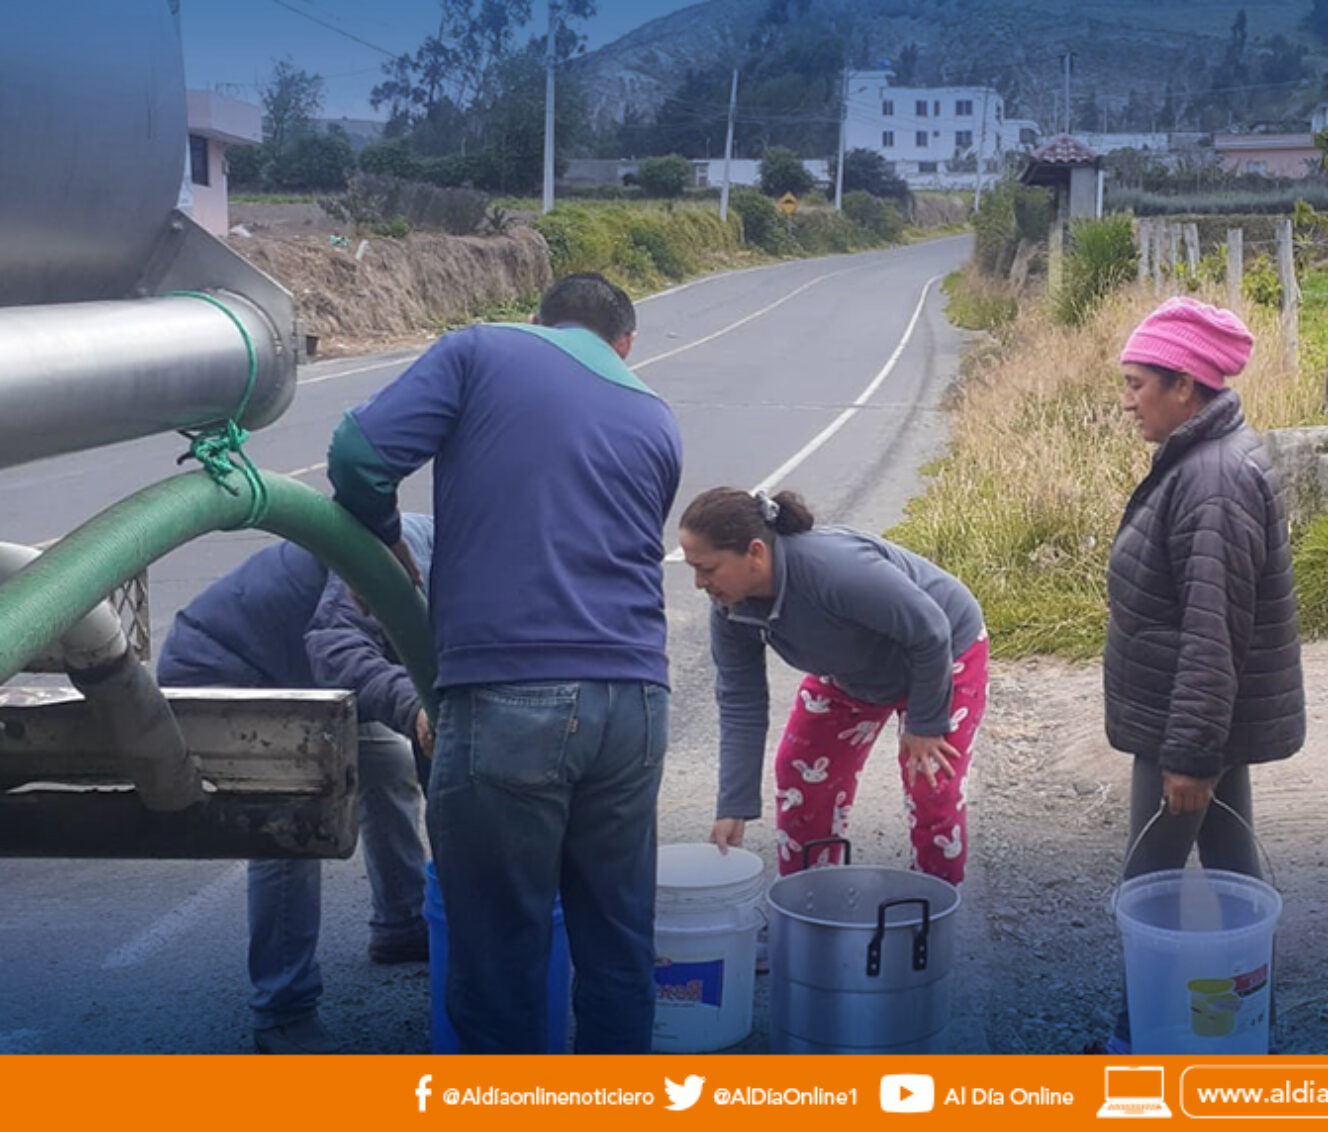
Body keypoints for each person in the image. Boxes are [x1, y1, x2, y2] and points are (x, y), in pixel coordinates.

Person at [327, 272, 681, 1055]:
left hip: (512, 696)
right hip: (637, 703)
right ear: (624, 346)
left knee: (499, 958)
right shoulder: (656, 415)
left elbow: (357, 455)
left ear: (539, 321)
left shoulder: (482, 348)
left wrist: (384, 539)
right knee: (619, 946)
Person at [1098, 296, 1306, 1053]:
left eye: (1136, 384)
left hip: (1182, 725)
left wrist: (1189, 754)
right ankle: (1246, 1027)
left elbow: (1213, 630)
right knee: (1233, 871)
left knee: (1146, 885)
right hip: (1188, 719)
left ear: (1184, 386)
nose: (1127, 402)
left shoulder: (1212, 479)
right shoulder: (1200, 461)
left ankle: (1139, 1037)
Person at [155, 514, 436, 1055]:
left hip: (294, 674)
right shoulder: (398, 557)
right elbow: (335, 650)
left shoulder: (469, 570)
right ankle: (282, 1010)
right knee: (294, 813)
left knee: (386, 761)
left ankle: (402, 923)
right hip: (222, 671)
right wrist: (419, 712)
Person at [682, 487, 987, 885]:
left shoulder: (835, 569)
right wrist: (732, 806)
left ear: (755, 552)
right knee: (802, 776)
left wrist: (925, 726)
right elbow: (741, 701)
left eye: (707, 568)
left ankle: (931, 915)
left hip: (942, 654)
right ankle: (811, 905)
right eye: (692, 568)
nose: (698, 583)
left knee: (931, 785)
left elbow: (931, 631)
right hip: (853, 671)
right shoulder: (730, 607)